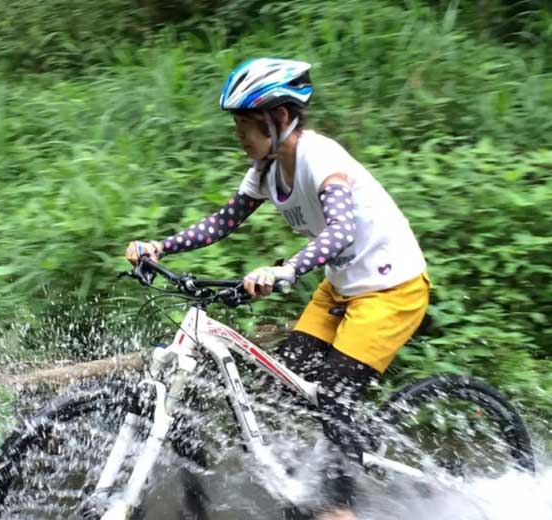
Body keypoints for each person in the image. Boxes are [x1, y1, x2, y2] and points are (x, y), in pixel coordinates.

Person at [124, 58, 430, 519]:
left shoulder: (319, 158)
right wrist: (160, 247)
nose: (239, 135)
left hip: (391, 288)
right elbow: (223, 222)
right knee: (284, 382)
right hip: (342, 288)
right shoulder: (268, 169)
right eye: (237, 125)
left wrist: (285, 269)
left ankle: (338, 507)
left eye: (247, 124)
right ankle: (315, 471)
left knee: (331, 393)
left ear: (281, 119)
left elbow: (341, 230)